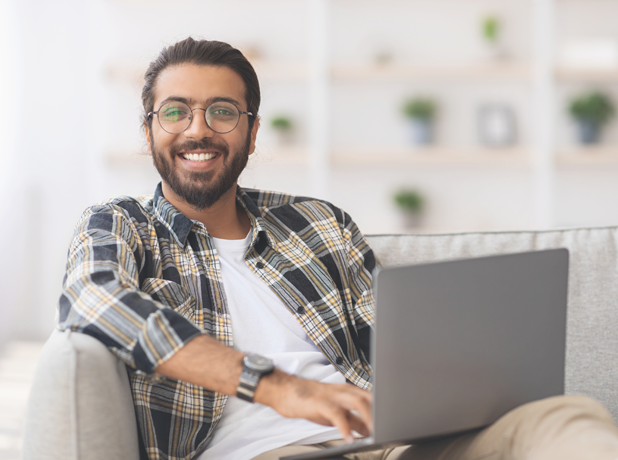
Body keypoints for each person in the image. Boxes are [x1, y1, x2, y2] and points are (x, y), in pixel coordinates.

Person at [58, 38, 618, 460]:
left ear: (252, 133)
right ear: (150, 131)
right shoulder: (118, 224)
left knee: (568, 418)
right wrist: (277, 387)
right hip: (268, 453)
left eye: (223, 111)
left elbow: (392, 349)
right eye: (175, 112)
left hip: (389, 442)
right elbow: (92, 303)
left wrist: (465, 385)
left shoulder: (319, 223)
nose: (198, 129)